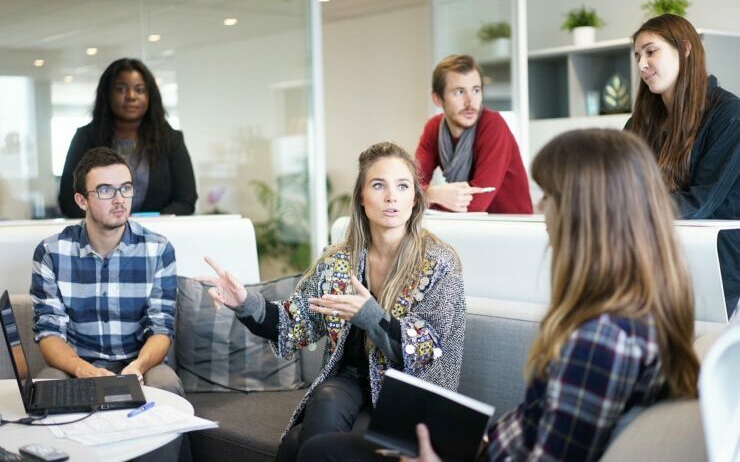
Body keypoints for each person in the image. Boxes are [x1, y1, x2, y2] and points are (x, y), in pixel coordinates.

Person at [313, 129, 700, 462]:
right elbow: (538, 430)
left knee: (322, 451)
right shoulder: (637, 314)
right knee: (316, 442)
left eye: (549, 195)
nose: (542, 208)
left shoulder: (600, 341)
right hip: (485, 448)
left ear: (587, 213)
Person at [200, 142, 466, 461]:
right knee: (325, 398)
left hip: (410, 392)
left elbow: (426, 350)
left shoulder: (439, 262)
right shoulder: (338, 260)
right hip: (351, 380)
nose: (391, 196)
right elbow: (293, 323)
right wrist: (244, 302)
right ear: (362, 199)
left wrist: (370, 315)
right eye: (378, 185)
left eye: (403, 186)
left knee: (299, 443)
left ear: (414, 199)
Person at [32, 147, 183, 396]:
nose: (119, 199)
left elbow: (161, 328)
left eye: (126, 188)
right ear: (82, 200)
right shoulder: (51, 252)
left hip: (139, 364)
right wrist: (85, 371)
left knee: (166, 385)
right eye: (105, 190)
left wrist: (138, 367)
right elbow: (49, 333)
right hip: (76, 366)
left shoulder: (158, 250)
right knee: (45, 387)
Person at [628, 14, 740, 318]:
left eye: (651, 52)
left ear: (685, 49)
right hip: (654, 262)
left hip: (714, 269)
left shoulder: (729, 114)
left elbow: (701, 201)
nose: (641, 65)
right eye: (638, 55)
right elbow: (618, 184)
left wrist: (625, 208)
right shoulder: (639, 123)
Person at [58, 58, 197, 218]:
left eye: (139, 90)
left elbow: (186, 200)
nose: (131, 96)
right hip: (100, 238)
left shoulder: (171, 140)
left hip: (157, 236)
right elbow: (69, 201)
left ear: (150, 96)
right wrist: (110, 223)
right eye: (121, 89)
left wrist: (147, 227)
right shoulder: (85, 138)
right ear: (107, 94)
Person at [415, 54, 532, 214]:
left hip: (511, 228)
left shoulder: (493, 125)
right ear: (437, 99)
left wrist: (426, 197)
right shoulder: (433, 128)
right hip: (468, 227)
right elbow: (408, 187)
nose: (470, 102)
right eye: (459, 92)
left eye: (476, 90)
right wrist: (431, 194)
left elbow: (476, 204)